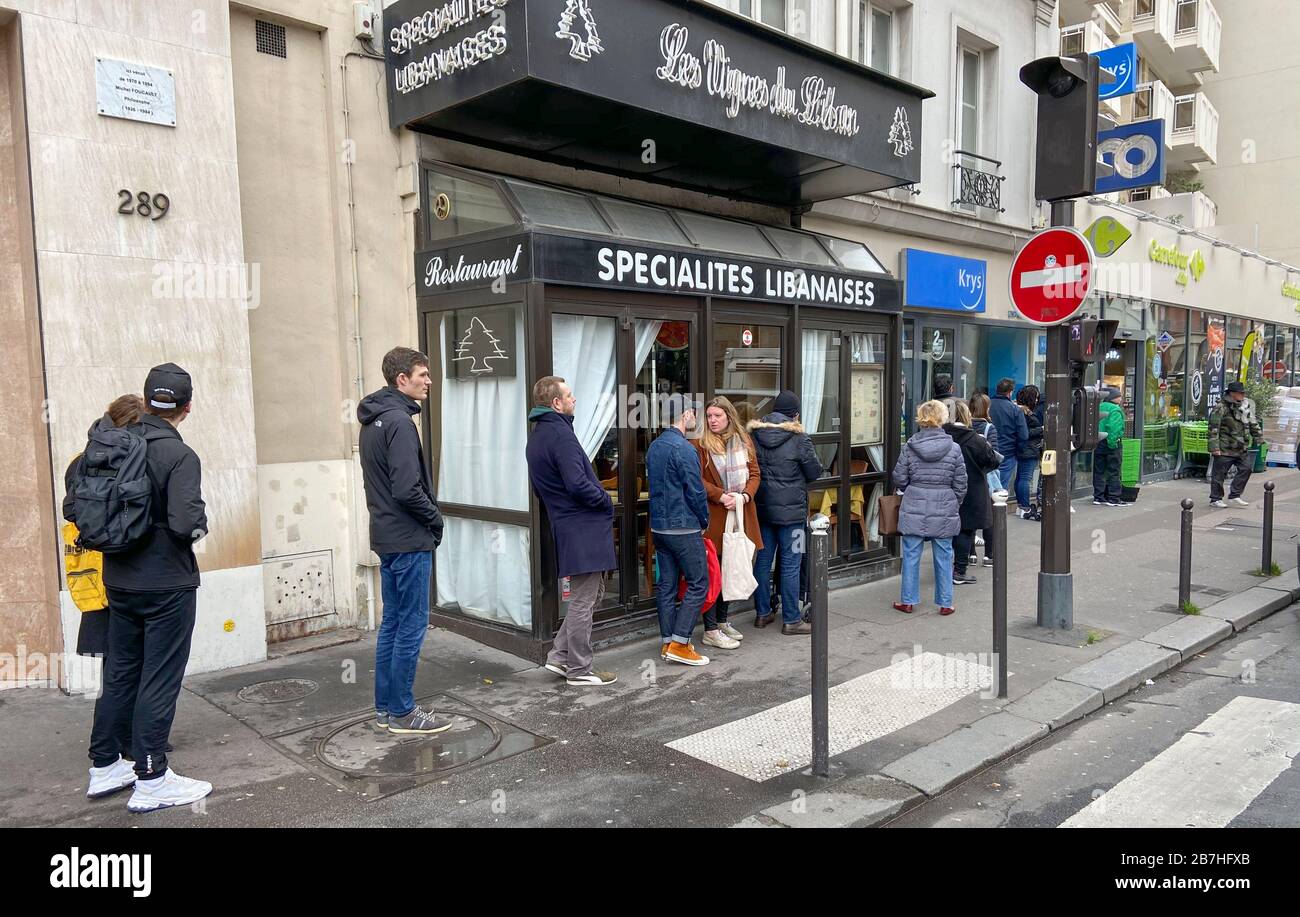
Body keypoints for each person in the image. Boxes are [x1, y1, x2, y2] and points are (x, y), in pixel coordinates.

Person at [80, 364, 212, 812]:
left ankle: (105, 764)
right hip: (166, 584)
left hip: (118, 579)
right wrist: (197, 526)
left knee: (120, 672)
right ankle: (152, 776)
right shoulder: (180, 456)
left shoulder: (112, 445)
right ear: (187, 407)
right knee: (159, 677)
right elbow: (185, 524)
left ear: (146, 399)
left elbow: (74, 501)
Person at [357, 347, 451, 735]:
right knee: (410, 626)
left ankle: (387, 709)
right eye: (423, 374)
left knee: (393, 625)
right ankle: (403, 713)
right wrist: (436, 519)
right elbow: (407, 489)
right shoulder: (398, 421)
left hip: (387, 536)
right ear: (402, 380)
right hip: (408, 540)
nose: (429, 381)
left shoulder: (375, 419)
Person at [526, 376, 618, 686]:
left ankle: (559, 657)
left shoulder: (538, 436)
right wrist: (605, 500)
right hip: (583, 526)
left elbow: (543, 489)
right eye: (569, 395)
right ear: (556, 403)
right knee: (584, 599)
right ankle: (579, 669)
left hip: (569, 525)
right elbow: (578, 484)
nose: (574, 399)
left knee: (591, 594)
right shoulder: (560, 435)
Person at [748, 390, 821, 635]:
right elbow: (814, 472)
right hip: (793, 516)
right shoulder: (800, 439)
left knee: (763, 561)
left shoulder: (754, 435)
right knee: (792, 563)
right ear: (796, 415)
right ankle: (791, 619)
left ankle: (762, 613)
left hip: (763, 511)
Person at [648, 394, 712, 665]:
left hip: (659, 527)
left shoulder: (654, 447)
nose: (696, 418)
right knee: (699, 582)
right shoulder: (684, 449)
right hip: (683, 527)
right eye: (694, 413)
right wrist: (704, 519)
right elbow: (696, 490)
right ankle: (680, 643)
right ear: (685, 415)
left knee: (667, 585)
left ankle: (668, 643)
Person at [694, 396, 762, 650]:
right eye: (709, 416)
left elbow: (755, 474)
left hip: (742, 513)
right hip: (716, 515)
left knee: (733, 568)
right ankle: (710, 629)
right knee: (715, 572)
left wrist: (744, 496)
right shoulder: (700, 444)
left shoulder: (745, 440)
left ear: (729, 417)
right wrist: (720, 495)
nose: (712, 421)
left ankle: (722, 621)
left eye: (717, 416)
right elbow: (697, 479)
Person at [892, 400, 967, 616]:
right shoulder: (954, 448)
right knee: (944, 555)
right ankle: (946, 603)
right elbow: (961, 483)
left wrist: (911, 489)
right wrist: (954, 501)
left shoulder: (910, 446)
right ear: (943, 418)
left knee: (911, 554)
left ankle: (908, 600)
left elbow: (899, 477)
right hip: (944, 502)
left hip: (914, 501)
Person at [943, 400, 1000, 586]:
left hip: (946, 488)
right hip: (973, 488)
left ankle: (946, 568)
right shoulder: (975, 440)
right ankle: (959, 570)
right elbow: (992, 461)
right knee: (965, 530)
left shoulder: (943, 436)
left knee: (946, 531)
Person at [1208, 381, 1264, 509]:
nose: (1242, 395)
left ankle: (1235, 495)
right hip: (1225, 447)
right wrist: (1214, 448)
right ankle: (1215, 499)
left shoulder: (1244, 406)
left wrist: (1259, 438)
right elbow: (1213, 428)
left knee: (1247, 468)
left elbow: (1252, 423)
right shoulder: (1221, 407)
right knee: (1219, 474)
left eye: (1243, 393)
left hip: (1240, 447)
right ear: (1232, 394)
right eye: (1240, 393)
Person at [969, 393, 1004, 568]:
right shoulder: (989, 428)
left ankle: (971, 554)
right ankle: (989, 555)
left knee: (970, 514)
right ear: (986, 408)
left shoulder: (966, 427)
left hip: (969, 475)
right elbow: (994, 455)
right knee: (989, 517)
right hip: (986, 476)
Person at [989, 378, 1027, 503]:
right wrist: (1018, 451)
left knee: (987, 486)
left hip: (988, 452)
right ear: (1010, 392)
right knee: (1000, 489)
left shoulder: (987, 405)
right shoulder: (1015, 410)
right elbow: (1023, 435)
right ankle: (997, 518)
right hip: (1007, 453)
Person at [1093, 387, 1126, 507]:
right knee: (1114, 471)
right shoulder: (1115, 410)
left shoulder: (1099, 407)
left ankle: (1098, 497)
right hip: (1111, 442)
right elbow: (1113, 428)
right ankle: (1114, 498)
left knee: (1099, 471)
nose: (1121, 398)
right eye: (1119, 396)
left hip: (1098, 442)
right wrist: (1113, 444)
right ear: (1113, 398)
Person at [1016, 385, 1044, 520]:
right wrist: (1042, 429)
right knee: (1025, 478)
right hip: (1029, 448)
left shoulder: (1018, 409)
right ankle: (1025, 507)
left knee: (1021, 478)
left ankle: (1020, 505)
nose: (1038, 400)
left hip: (1023, 447)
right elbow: (1026, 432)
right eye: (1036, 397)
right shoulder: (1025, 412)